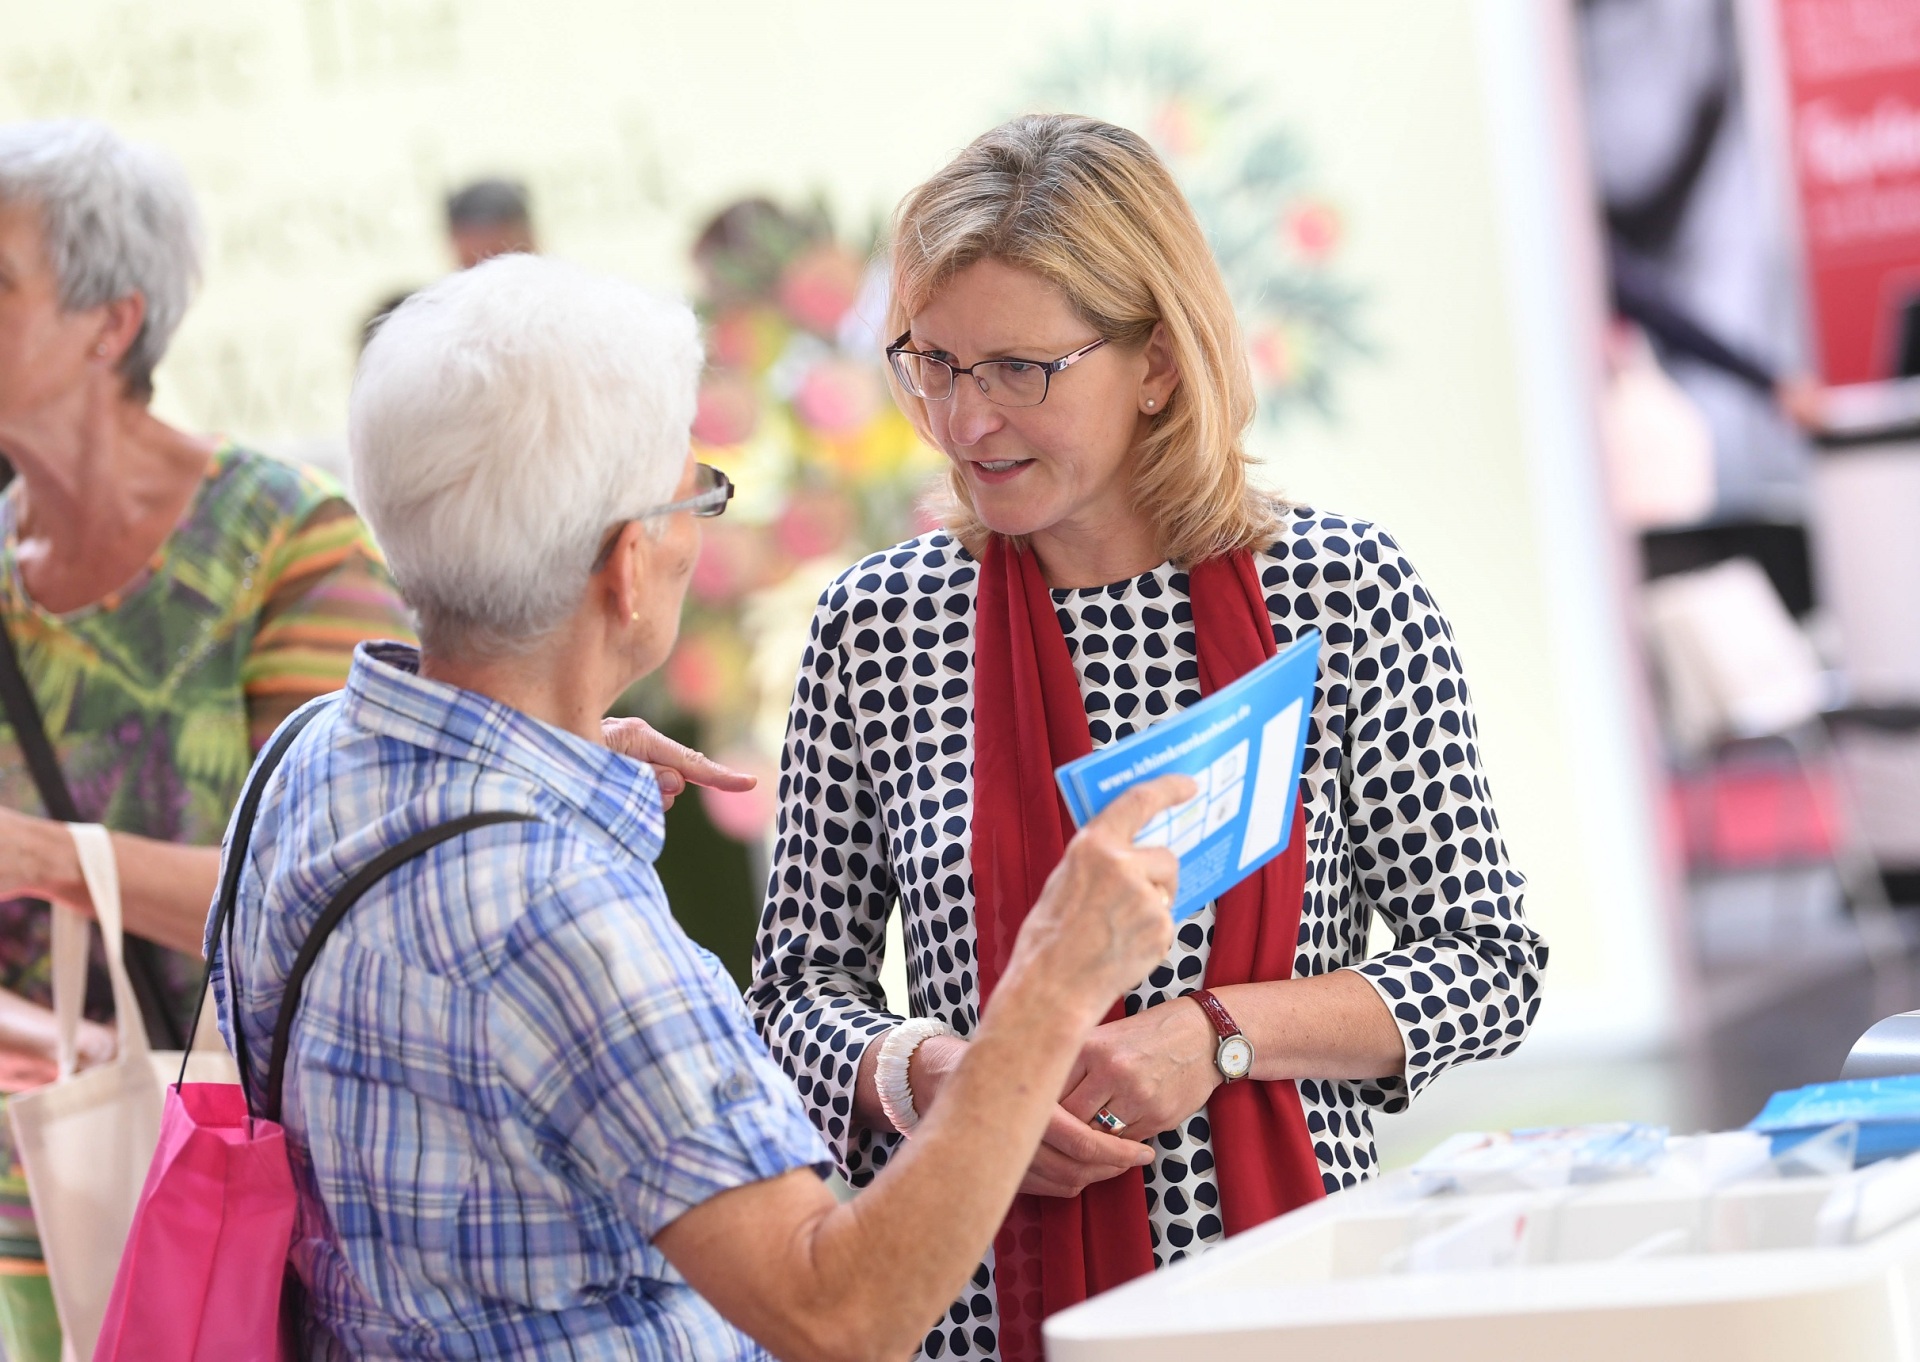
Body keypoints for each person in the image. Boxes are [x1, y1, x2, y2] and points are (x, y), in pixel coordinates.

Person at [212, 251, 1195, 1362]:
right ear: (629, 568)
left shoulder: (303, 764)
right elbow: (840, 1313)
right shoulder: (562, 913)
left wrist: (553, 758)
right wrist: (1050, 989)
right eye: (694, 494)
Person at [749, 113, 1549, 1362]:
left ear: (1160, 364)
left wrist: (1218, 1036)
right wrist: (933, 1076)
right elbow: (797, 992)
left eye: (1022, 369)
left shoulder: (1338, 594)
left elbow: (1491, 965)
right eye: (935, 364)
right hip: (978, 1307)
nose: (967, 422)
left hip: (1291, 1289)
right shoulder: (880, 627)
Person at [0, 119, 421, 1070]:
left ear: (112, 323)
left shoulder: (283, 538)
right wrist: (82, 1056)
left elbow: (338, 880)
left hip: (222, 1170)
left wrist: (45, 859)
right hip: (41, 1157)